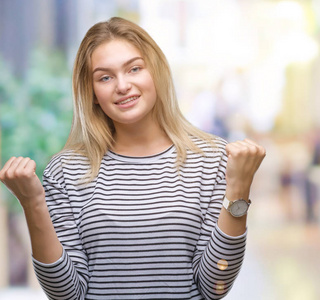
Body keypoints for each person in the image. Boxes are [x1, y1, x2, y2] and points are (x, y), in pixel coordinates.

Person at [0, 17, 265, 300]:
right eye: (105, 77)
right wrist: (32, 203)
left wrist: (238, 190)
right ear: (91, 94)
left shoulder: (210, 161)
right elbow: (66, 295)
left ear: (156, 73)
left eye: (134, 69)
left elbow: (215, 286)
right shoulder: (66, 171)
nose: (122, 85)